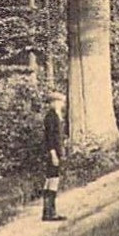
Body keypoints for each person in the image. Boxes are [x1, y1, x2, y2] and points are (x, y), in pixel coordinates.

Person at [41, 91, 67, 222]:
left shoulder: (55, 116)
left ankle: (48, 211)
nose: (62, 104)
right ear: (54, 103)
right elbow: (50, 138)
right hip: (53, 153)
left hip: (54, 152)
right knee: (53, 180)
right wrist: (53, 154)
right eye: (60, 102)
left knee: (50, 180)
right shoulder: (51, 117)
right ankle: (50, 213)